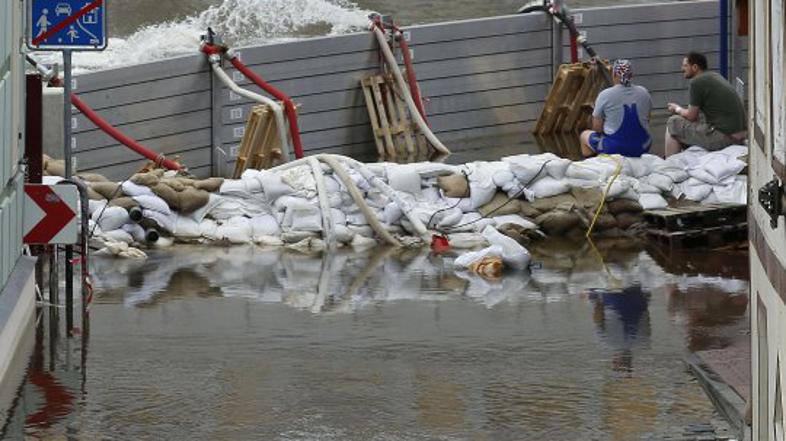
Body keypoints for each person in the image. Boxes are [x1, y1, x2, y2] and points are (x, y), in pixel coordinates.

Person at [665, 51, 747, 156]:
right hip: (738, 135)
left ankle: (669, 164)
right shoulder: (714, 76)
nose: (682, 69)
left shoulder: (697, 82)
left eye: (685, 65)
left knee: (673, 122)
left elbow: (691, 116)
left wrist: (677, 109)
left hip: (725, 138)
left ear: (695, 67)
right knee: (688, 124)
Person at [580, 59, 653, 158]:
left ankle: (593, 167)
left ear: (614, 75)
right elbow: (647, 120)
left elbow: (597, 128)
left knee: (584, 135)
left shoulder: (605, 95)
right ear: (631, 75)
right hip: (643, 145)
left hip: (615, 148)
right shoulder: (644, 92)